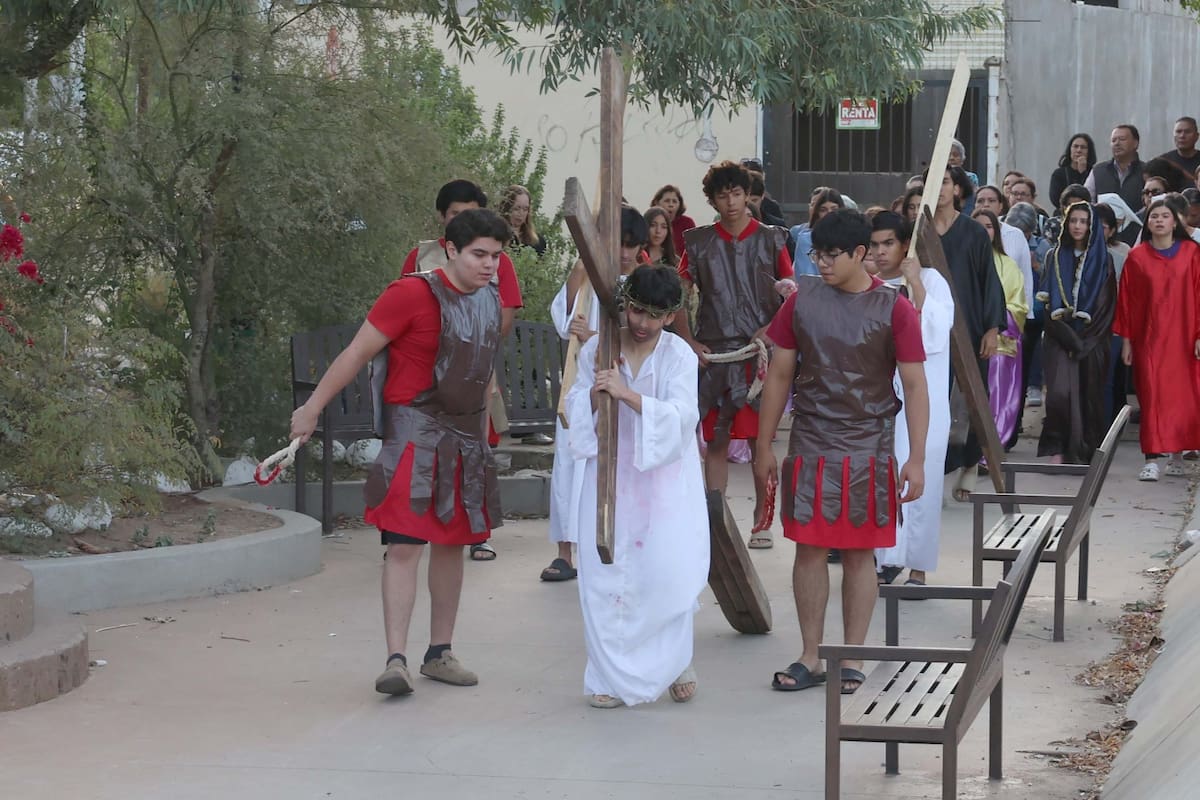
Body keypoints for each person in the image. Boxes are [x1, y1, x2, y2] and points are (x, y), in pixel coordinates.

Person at [289, 209, 511, 696]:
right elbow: (356, 352)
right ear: (450, 249)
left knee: (452, 544)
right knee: (406, 545)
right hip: (415, 431)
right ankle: (396, 660)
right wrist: (311, 408)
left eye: (496, 256)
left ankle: (440, 653)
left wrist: (485, 435)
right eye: (479, 254)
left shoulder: (490, 299)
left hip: (465, 436)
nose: (489, 265)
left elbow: (483, 371)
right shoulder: (409, 293)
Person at [756, 208, 929, 694]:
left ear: (860, 253)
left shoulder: (895, 307)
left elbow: (915, 385)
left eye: (833, 255)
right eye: (817, 254)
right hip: (811, 438)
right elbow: (780, 375)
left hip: (869, 442)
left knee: (858, 553)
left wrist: (916, 458)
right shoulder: (802, 300)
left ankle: (852, 656)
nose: (823, 263)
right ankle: (810, 656)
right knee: (808, 549)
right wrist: (764, 444)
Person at [564, 263, 710, 708]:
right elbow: (574, 404)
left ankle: (676, 660)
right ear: (625, 306)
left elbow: (683, 416)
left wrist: (626, 394)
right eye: (637, 311)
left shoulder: (679, 355)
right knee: (605, 576)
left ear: (671, 316)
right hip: (609, 472)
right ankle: (605, 676)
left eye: (656, 315)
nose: (643, 323)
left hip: (663, 480)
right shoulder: (600, 349)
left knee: (666, 571)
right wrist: (596, 392)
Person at [401, 179, 524, 560]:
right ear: (443, 217)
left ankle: (475, 529)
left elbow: (505, 315)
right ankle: (409, 532)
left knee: (476, 447)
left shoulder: (496, 261)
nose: (463, 220)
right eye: (455, 213)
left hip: (473, 368)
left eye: (470, 213)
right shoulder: (421, 257)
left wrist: (471, 338)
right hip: (426, 378)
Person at [674, 160, 794, 549]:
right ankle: (715, 523)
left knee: (762, 441)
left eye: (737, 194)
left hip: (760, 355)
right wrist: (688, 341)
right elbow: (677, 294)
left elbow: (791, 293)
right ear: (712, 200)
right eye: (722, 195)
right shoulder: (697, 242)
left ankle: (763, 521)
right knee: (716, 440)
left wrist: (772, 330)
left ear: (748, 195)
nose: (730, 202)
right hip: (714, 355)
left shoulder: (772, 239)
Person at [542, 208, 650, 582]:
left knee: (622, 470)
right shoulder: (586, 275)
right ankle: (565, 553)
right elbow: (565, 321)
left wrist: (599, 339)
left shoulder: (643, 282)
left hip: (625, 384)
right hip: (582, 386)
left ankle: (620, 549)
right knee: (569, 467)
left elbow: (646, 332)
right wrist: (582, 262)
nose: (625, 253)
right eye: (619, 244)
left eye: (632, 245)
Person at [867, 213, 953, 589]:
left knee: (922, 480)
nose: (881, 252)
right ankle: (885, 559)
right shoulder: (869, 286)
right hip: (880, 400)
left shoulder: (931, 281)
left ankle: (918, 567)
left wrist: (915, 282)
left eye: (888, 243)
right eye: (875, 245)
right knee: (882, 477)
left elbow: (936, 332)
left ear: (905, 245)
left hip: (923, 398)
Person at [930, 166, 1006, 499]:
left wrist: (992, 328)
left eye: (945, 181)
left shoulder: (973, 231)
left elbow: (989, 279)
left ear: (958, 189)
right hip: (929, 331)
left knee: (972, 399)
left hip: (970, 327)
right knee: (932, 403)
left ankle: (972, 462)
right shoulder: (918, 232)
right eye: (933, 181)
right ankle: (933, 473)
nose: (939, 188)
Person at [1115, 198, 1200, 481]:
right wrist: (1127, 341)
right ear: (1147, 223)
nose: (1159, 220)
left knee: (1182, 398)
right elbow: (1127, 302)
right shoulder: (1137, 257)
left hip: (1185, 338)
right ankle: (1151, 458)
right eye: (1154, 216)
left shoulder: (1191, 253)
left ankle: (1177, 455)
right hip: (1149, 340)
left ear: (1175, 222)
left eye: (1165, 216)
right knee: (1151, 397)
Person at [1036, 201, 1117, 464]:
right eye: (1073, 220)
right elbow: (1047, 303)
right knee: (1059, 392)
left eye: (1084, 221)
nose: (1078, 226)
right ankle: (1057, 447)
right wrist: (1067, 336)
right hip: (1059, 336)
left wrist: (1084, 340)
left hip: (1092, 338)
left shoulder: (1104, 260)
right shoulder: (1054, 256)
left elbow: (1106, 305)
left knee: (1088, 394)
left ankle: (1084, 451)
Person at [972, 208, 1028, 447]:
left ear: (996, 231)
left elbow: (1018, 307)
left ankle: (991, 448)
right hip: (967, 342)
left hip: (1000, 344)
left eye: (989, 226)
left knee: (996, 394)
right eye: (978, 226)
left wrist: (992, 321)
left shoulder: (1008, 265)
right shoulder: (963, 262)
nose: (984, 231)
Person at [975, 185, 1034, 312]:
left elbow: (1026, 277)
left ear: (1001, 205)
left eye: (991, 201)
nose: (986, 204)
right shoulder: (965, 234)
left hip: (1010, 310)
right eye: (980, 201)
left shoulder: (1016, 235)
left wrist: (1027, 312)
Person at [1086, 125, 1146, 246]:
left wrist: (1129, 218)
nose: (1117, 143)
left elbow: (1152, 203)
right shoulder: (1098, 170)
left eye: (1122, 139)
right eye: (1113, 140)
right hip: (1103, 238)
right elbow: (1087, 200)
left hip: (1137, 237)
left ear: (1135, 143)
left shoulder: (1146, 171)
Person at [789, 187, 845, 272]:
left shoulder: (849, 237)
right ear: (817, 212)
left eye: (834, 209)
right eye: (823, 210)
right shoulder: (806, 238)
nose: (829, 213)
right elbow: (805, 273)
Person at [1049, 134, 1097, 211]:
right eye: (1075, 146)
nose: (1079, 150)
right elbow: (1055, 198)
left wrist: (1083, 173)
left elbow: (1091, 196)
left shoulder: (1094, 173)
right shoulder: (1059, 174)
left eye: (1083, 147)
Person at [498, 184, 546, 256]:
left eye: (525, 209)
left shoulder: (538, 241)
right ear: (507, 208)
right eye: (516, 208)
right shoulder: (497, 237)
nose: (521, 213)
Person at [651, 184, 697, 256]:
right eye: (667, 201)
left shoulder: (687, 223)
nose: (671, 205)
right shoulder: (650, 221)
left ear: (679, 204)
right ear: (657, 203)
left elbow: (694, 250)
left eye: (674, 201)